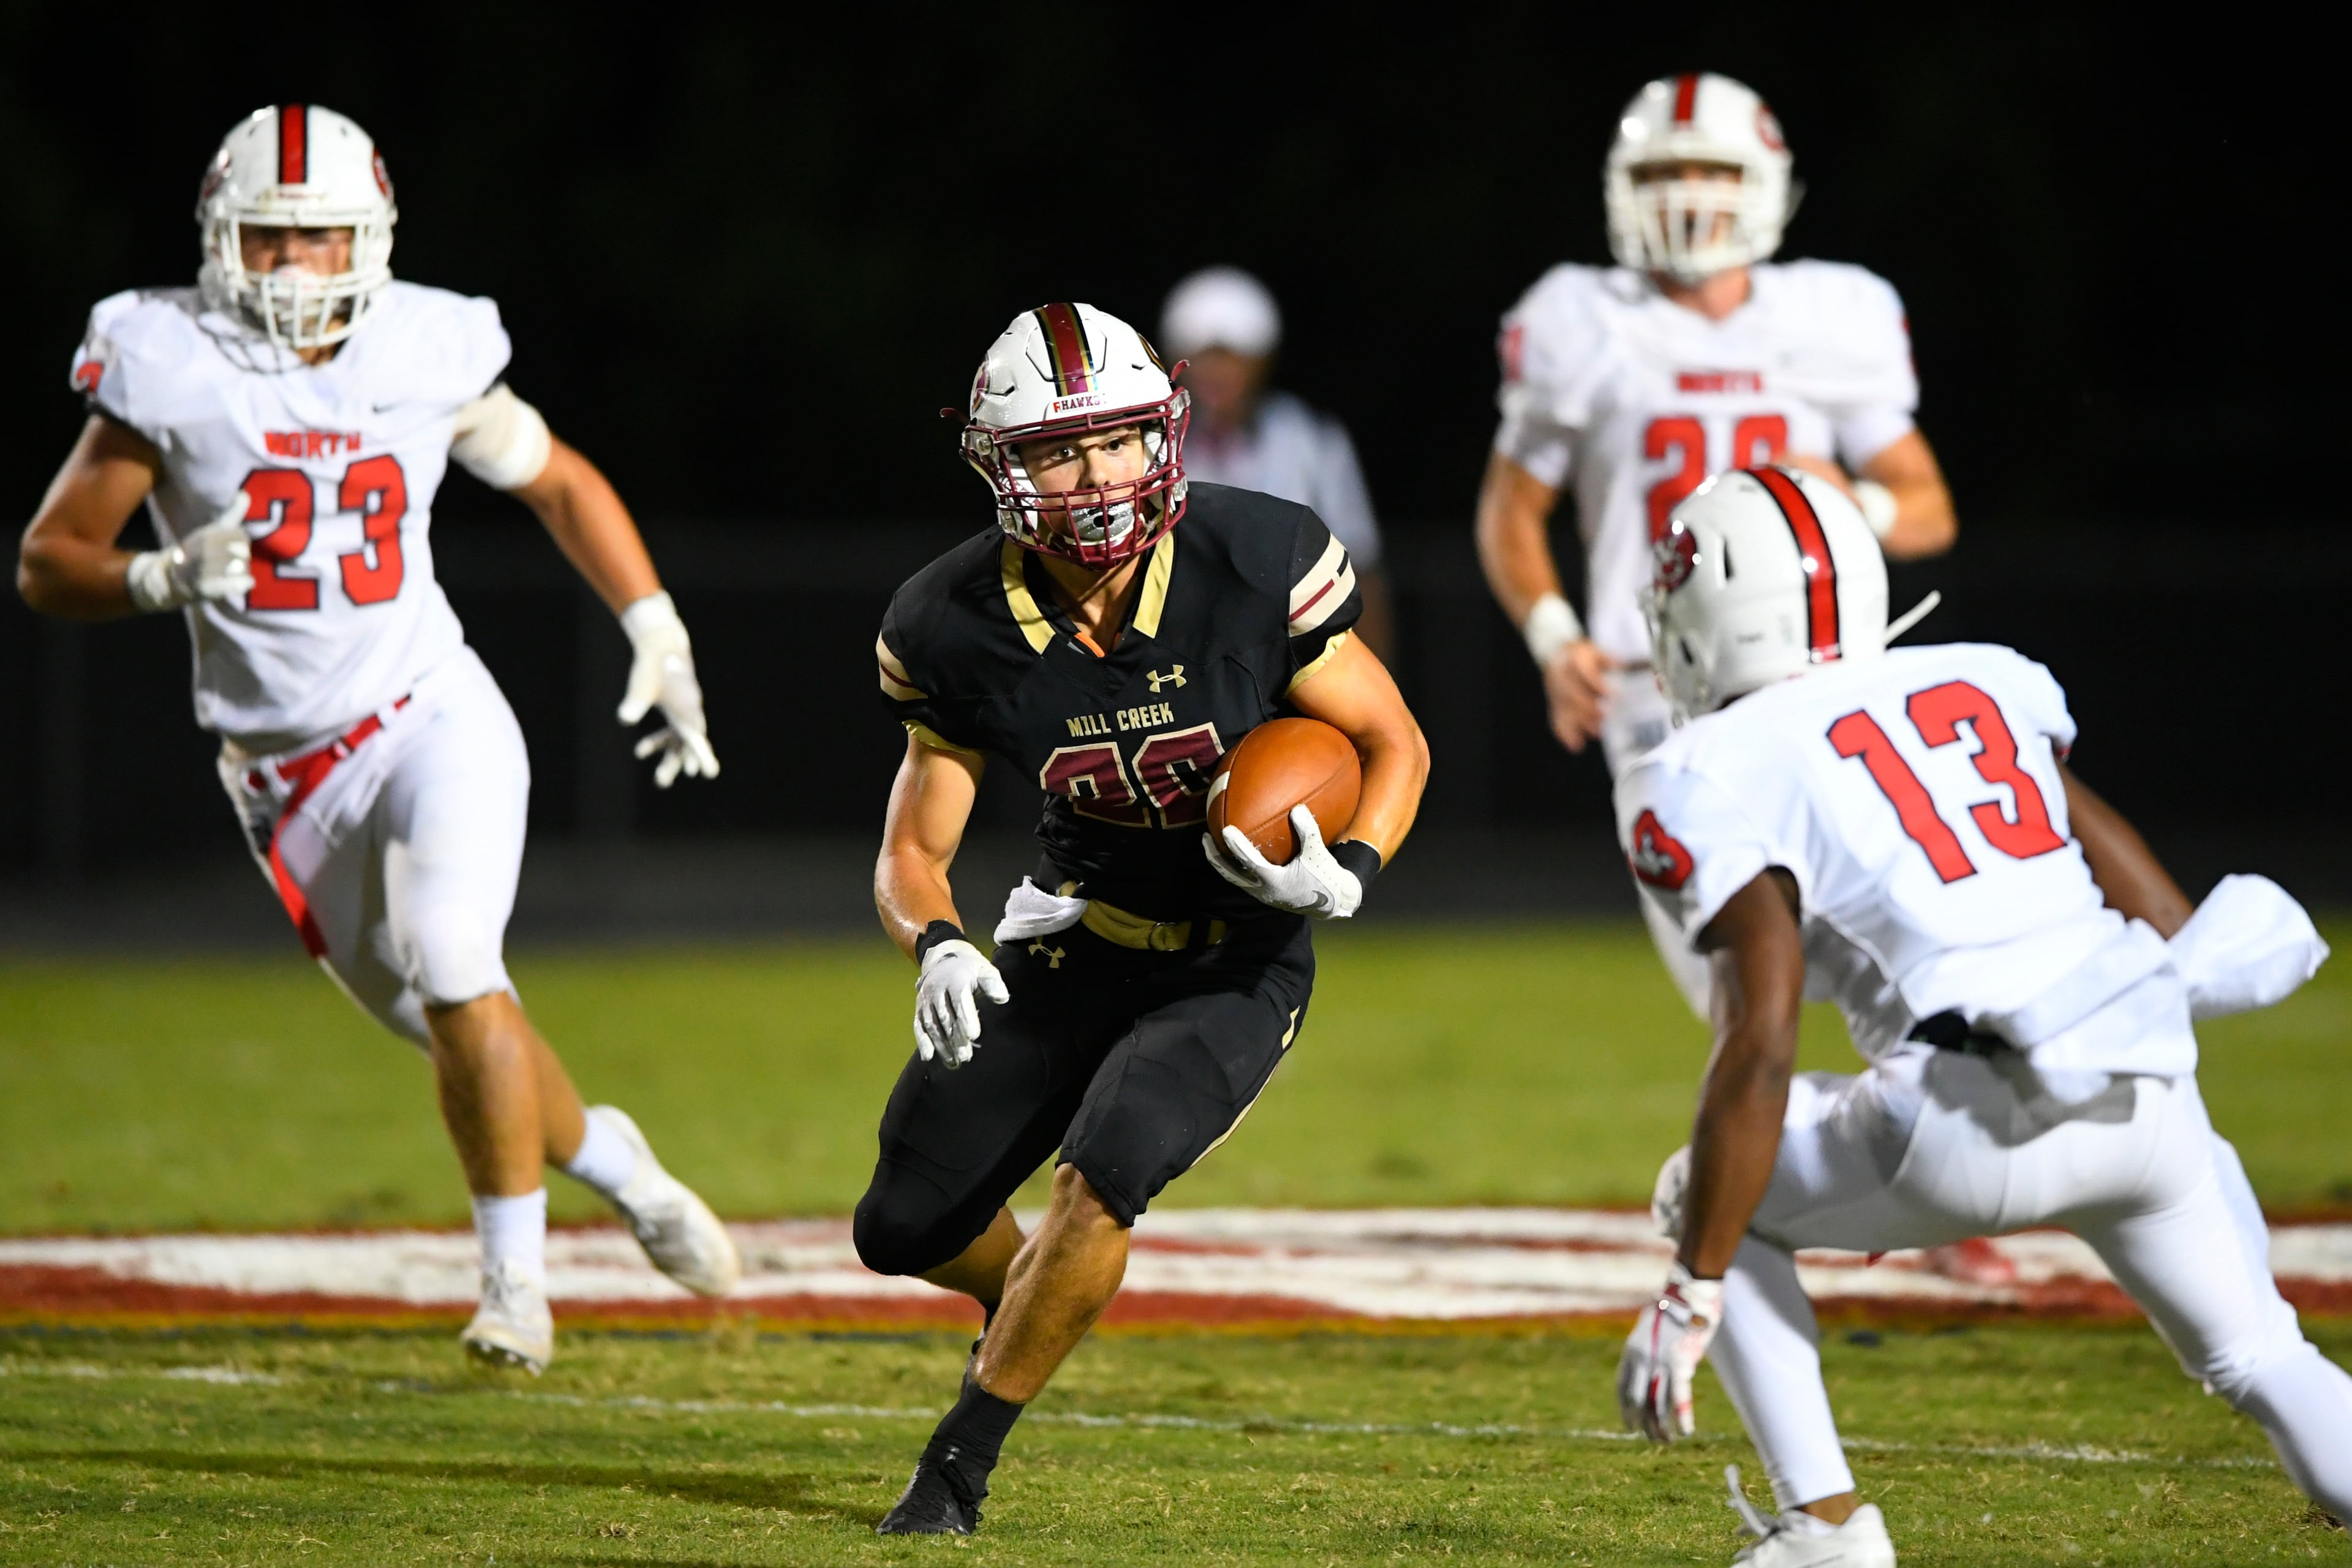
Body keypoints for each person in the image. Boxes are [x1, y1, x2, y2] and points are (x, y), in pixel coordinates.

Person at [14, 105, 739, 1374]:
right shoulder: (165, 357)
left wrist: (654, 623)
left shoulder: (423, 345)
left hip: (427, 712)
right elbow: (47, 562)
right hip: (280, 773)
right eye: (271, 238)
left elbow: (559, 479)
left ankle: (515, 1290)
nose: (295, 267)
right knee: (460, 1024)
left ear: (374, 238)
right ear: (221, 239)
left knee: (458, 958)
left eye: (320, 237)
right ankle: (622, 1164)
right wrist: (159, 576)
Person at [1610, 464, 2347, 1565]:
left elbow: (1760, 1044)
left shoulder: (1703, 766)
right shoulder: (1985, 679)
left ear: (1706, 624)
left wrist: (1691, 1286)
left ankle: (1823, 1532)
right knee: (2263, 1357)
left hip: (1961, 1115)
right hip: (2144, 1086)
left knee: (1706, 1196)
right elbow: (2156, 913)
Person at [854, 301, 1428, 1534]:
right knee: (903, 1221)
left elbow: (1392, 739)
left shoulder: (1253, 556)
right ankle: (1041, 1301)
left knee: (1099, 1179)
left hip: (1236, 955)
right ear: (1000, 466)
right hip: (1075, 935)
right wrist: (939, 940)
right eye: (1061, 451)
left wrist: (1357, 863)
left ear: (1165, 428)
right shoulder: (950, 620)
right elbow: (913, 846)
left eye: (1119, 440)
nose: (1099, 475)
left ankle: (957, 1464)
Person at [1475, 70, 1958, 1019]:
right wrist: (1549, 636)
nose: (1687, 194)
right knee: (1732, 975)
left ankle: (1935, 1137)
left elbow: (1930, 508)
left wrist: (1847, 501)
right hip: (1659, 684)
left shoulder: (1827, 315)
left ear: (1765, 183)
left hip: (1821, 672)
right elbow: (1509, 510)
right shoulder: (1582, 320)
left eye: (1710, 168)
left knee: (1893, 945)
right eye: (1662, 171)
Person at [1161, 266, 1395, 658]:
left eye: (1233, 357)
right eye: (1204, 357)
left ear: (1262, 361)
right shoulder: (1150, 445)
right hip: (1184, 665)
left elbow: (1361, 571)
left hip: (1300, 659)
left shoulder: (1311, 439)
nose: (1218, 372)